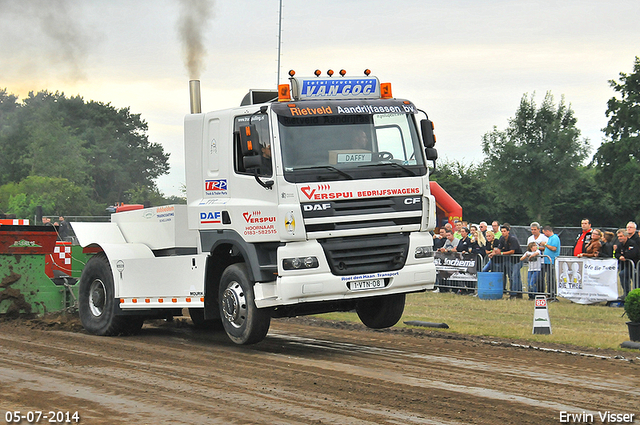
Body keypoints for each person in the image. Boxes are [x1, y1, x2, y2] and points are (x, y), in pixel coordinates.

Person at [495, 224, 523, 298]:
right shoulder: (502, 238)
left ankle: (514, 293)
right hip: (510, 260)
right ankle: (519, 292)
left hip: (518, 259)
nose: (503, 233)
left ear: (508, 231)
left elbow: (512, 251)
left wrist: (501, 253)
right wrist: (494, 253)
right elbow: (499, 249)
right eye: (502, 231)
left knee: (514, 276)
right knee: (514, 276)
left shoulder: (512, 239)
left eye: (504, 231)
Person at [614, 229, 639, 298]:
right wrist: (620, 256)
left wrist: (625, 256)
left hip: (635, 265)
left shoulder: (632, 243)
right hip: (626, 266)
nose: (619, 238)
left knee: (636, 281)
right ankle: (626, 293)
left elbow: (633, 253)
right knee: (622, 275)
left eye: (621, 236)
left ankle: (636, 294)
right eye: (618, 236)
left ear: (626, 236)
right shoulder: (620, 245)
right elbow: (616, 253)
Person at [540, 225, 561, 296]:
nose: (544, 235)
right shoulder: (550, 238)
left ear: (548, 231)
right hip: (548, 261)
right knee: (548, 278)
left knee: (551, 278)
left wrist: (545, 244)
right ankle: (549, 293)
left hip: (552, 261)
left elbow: (554, 248)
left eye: (545, 233)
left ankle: (552, 293)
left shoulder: (554, 238)